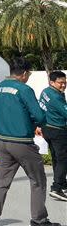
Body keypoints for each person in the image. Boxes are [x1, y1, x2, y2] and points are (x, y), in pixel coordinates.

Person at [0, 57, 61, 226]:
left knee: (2, 181)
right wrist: (36, 124)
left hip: (1, 141)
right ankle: (39, 220)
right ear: (25, 73)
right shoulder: (24, 89)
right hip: (21, 142)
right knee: (38, 181)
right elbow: (40, 116)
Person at [39, 70, 67, 201]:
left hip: (47, 129)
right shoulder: (56, 97)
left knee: (56, 157)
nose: (63, 85)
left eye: (65, 83)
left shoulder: (45, 91)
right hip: (57, 130)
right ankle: (56, 188)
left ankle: (62, 183)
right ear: (52, 82)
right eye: (60, 83)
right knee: (63, 159)